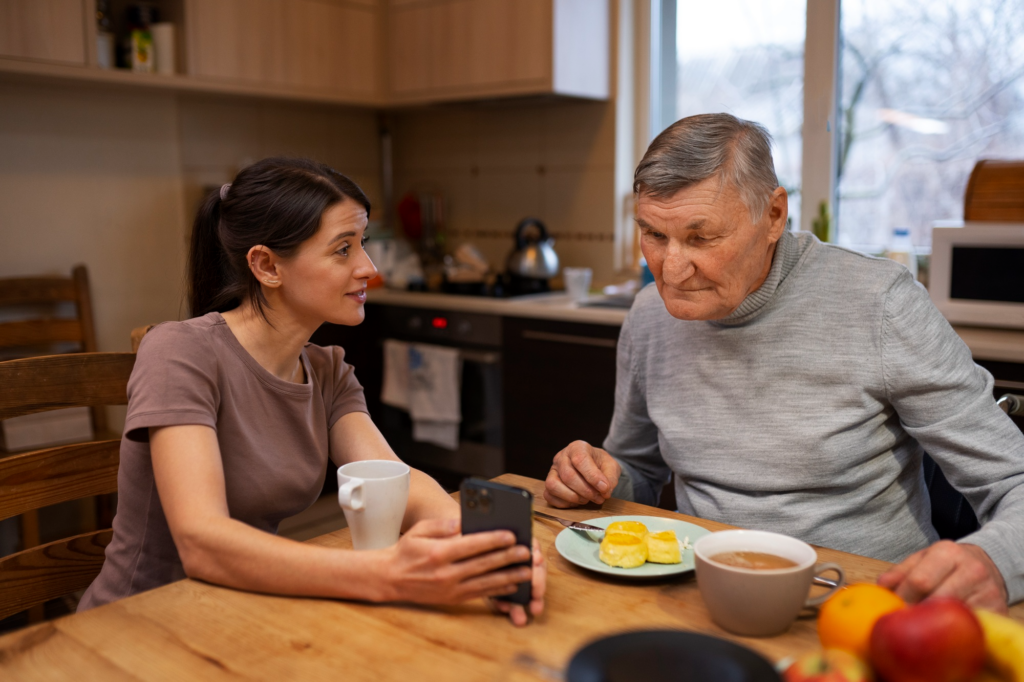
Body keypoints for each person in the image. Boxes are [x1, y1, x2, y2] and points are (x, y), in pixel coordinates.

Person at [544, 114, 1024, 612]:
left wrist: (992, 562)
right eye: (653, 235)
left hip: (865, 606)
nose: (671, 270)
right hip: (706, 598)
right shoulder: (649, 316)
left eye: (701, 238)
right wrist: (595, 478)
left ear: (773, 216)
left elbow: (1015, 481)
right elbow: (639, 473)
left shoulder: (882, 305)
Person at [80, 158, 545, 626]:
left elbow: (396, 481)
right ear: (267, 266)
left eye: (362, 244)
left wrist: (485, 548)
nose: (369, 267)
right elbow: (203, 542)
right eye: (343, 249)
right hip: (139, 627)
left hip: (243, 615)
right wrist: (385, 574)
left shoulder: (327, 369)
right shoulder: (179, 351)